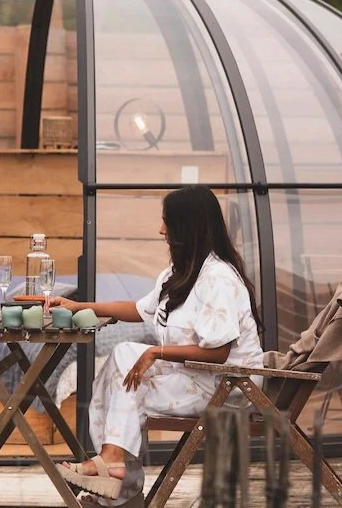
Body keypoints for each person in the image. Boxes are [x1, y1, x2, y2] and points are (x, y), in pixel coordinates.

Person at [51, 186, 264, 506]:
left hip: (229, 386)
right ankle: (113, 464)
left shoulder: (218, 278)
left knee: (129, 386)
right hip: (194, 376)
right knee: (121, 359)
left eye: (167, 222)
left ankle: (119, 485)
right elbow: (138, 309)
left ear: (188, 227)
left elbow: (219, 353)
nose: (161, 230)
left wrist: (156, 352)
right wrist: (78, 306)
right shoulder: (180, 274)